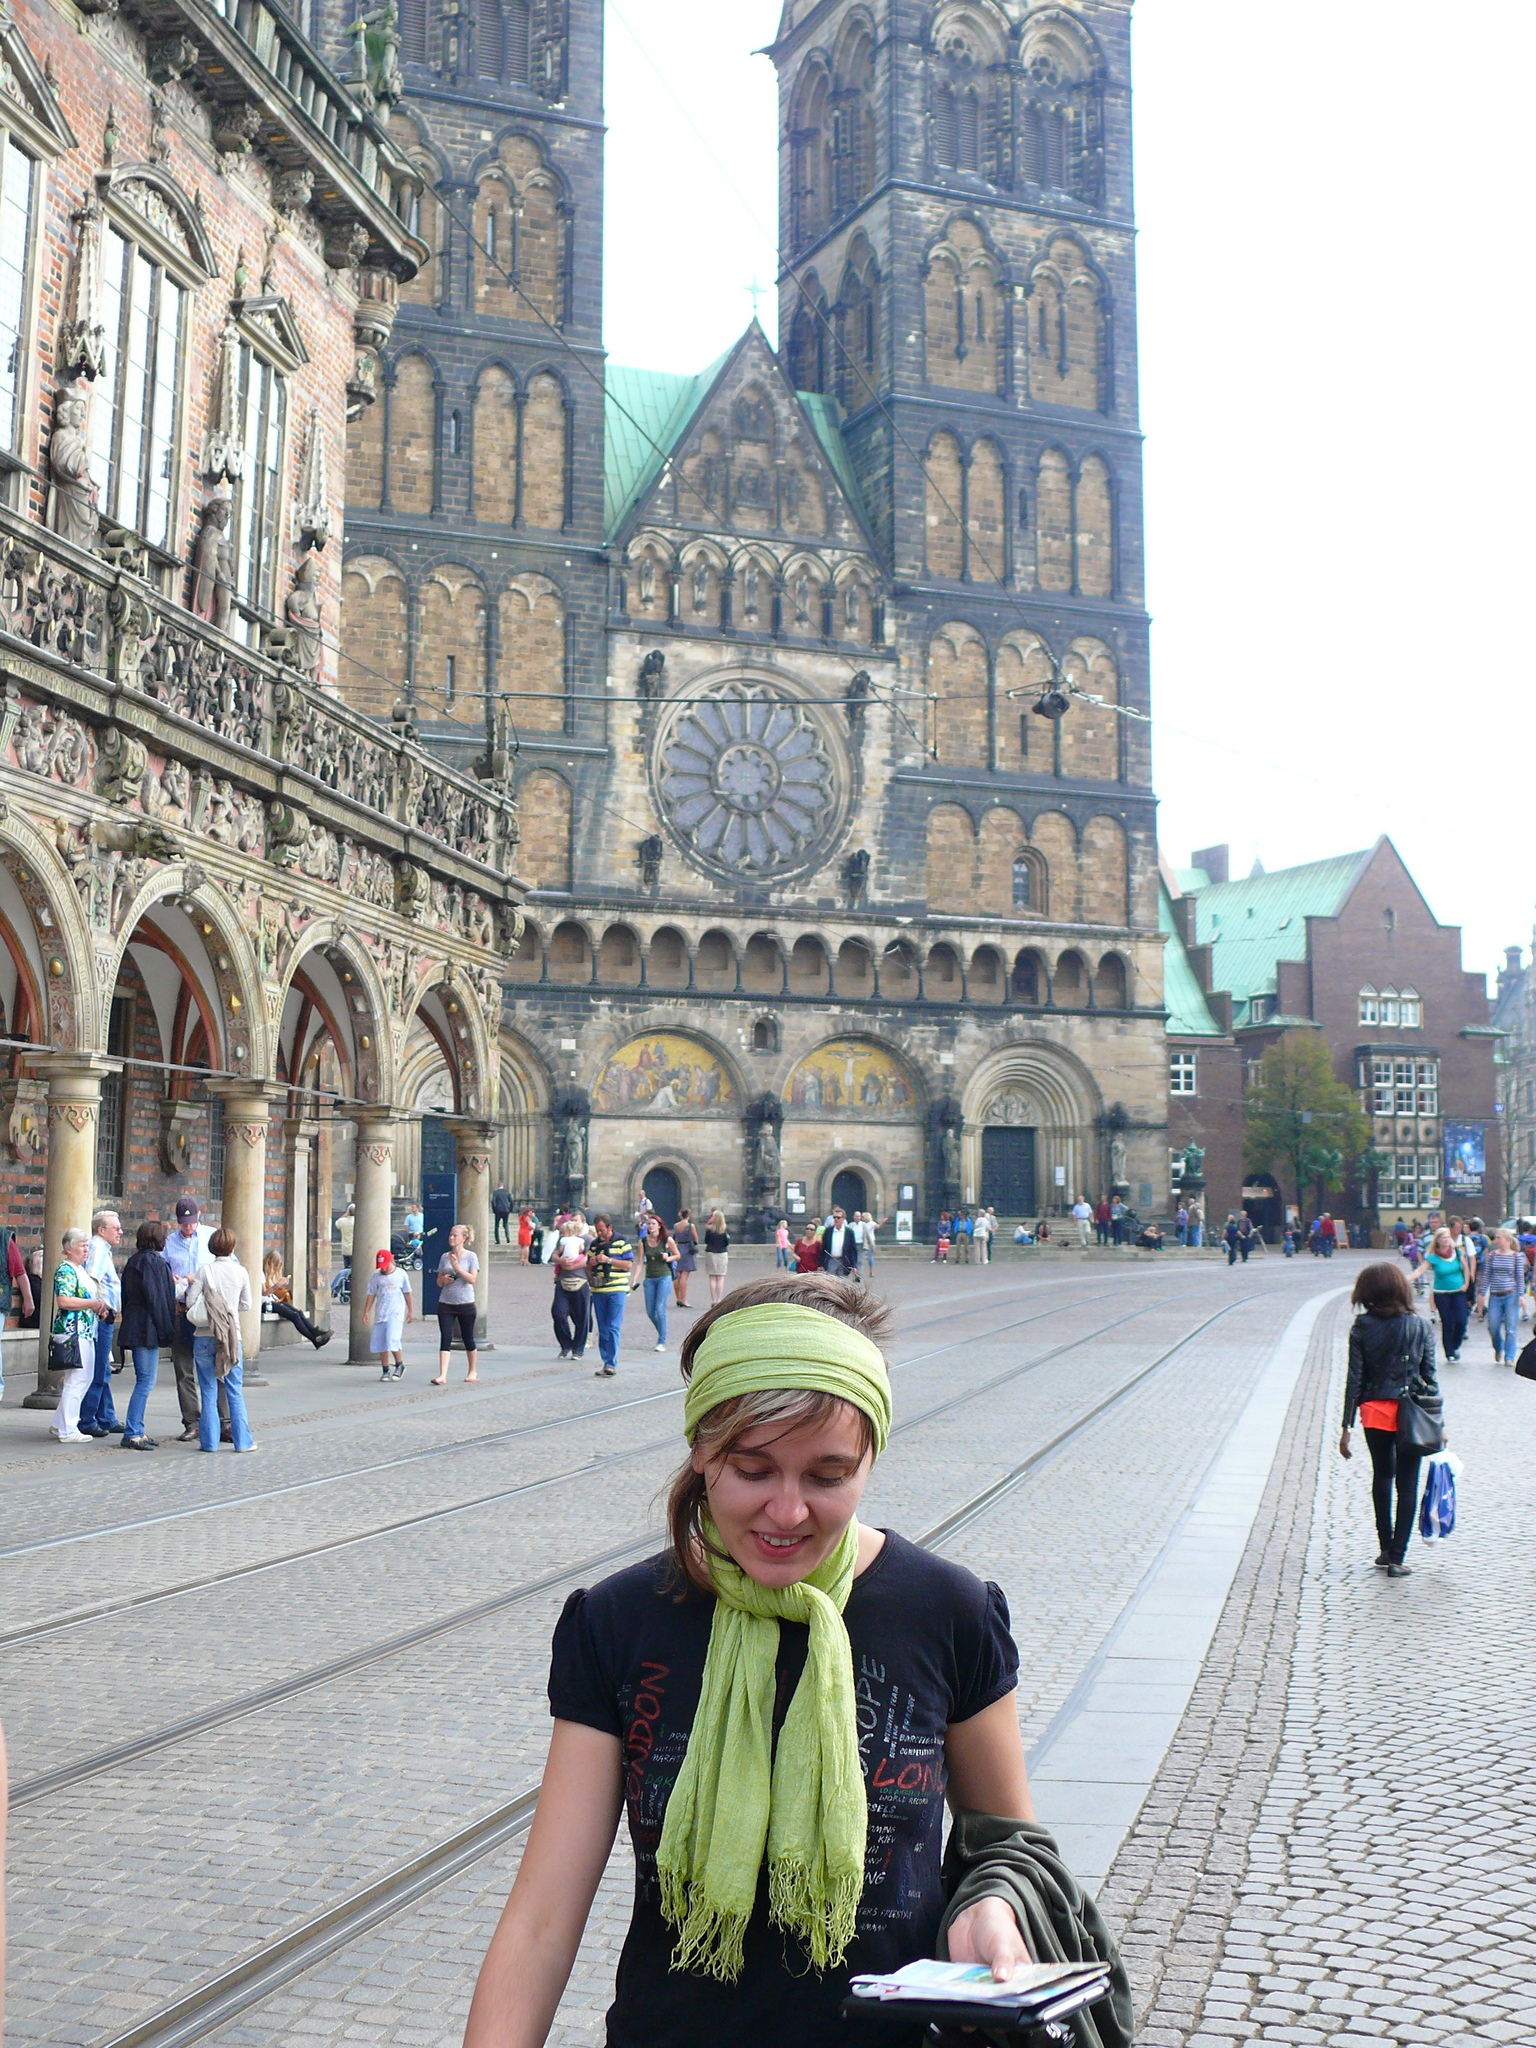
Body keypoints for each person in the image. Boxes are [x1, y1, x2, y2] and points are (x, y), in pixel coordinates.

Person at [464, 1275, 1127, 2048]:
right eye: (752, 1470)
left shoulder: (948, 1612)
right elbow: (542, 1923)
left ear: (871, 1458)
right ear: (701, 1449)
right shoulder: (618, 1622)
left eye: (828, 1476)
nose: (787, 1511)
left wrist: (994, 1904)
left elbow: (1008, 1840)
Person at [1340, 1261, 1441, 1577]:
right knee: (1408, 1483)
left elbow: (1355, 1379)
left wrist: (1346, 1426)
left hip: (1375, 1410)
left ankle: (1384, 1548)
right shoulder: (1419, 1325)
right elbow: (1430, 1378)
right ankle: (1398, 1557)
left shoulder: (1362, 1326)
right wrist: (1439, 1422)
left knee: (1382, 1476)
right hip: (1411, 1412)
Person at [184, 1227, 256, 1453]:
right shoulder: (241, 1272)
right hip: (231, 1337)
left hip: (204, 1336)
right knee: (234, 1389)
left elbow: (190, 1302)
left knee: (208, 1389)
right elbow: (247, 1304)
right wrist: (229, 1309)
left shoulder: (204, 1271)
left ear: (212, 1247)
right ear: (232, 1247)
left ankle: (209, 1443)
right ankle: (243, 1442)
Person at [164, 1198, 221, 1443]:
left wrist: (195, 1278)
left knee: (216, 1368)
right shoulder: (169, 1242)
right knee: (184, 1369)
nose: (188, 1227)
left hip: (207, 1312)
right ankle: (192, 1422)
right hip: (182, 1310)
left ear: (198, 1215)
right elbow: (162, 1270)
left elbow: (226, 1267)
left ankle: (222, 1421)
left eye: (191, 1222)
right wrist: (172, 1277)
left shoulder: (210, 1237)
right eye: (183, 1223)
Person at [119, 1221, 177, 1449]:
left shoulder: (134, 1261)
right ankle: (133, 1431)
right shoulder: (155, 1263)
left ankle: (137, 1429)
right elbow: (159, 1300)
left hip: (134, 1324)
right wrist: (167, 1330)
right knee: (145, 1381)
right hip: (147, 1328)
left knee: (144, 1380)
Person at [48, 1226, 105, 1443]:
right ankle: (68, 1429)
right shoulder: (66, 1270)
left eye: (87, 1246)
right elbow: (64, 1300)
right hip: (73, 1331)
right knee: (77, 1379)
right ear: (69, 1248)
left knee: (83, 1377)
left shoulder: (79, 1269)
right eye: (82, 1246)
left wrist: (97, 1307)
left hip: (85, 1330)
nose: (86, 1250)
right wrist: (91, 1303)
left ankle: (60, 1423)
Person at [77, 1208, 124, 1437]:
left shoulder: (102, 1248)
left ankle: (106, 1417)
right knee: (98, 1369)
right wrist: (99, 1306)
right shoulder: (97, 1248)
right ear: (101, 1229)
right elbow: (92, 1280)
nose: (120, 1232)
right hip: (101, 1316)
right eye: (116, 1228)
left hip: (104, 1315)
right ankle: (87, 1419)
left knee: (103, 1367)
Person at [1412, 1227, 1474, 1364]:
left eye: (1447, 1237)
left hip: (1458, 1291)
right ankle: (1449, 1352)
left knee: (1461, 1321)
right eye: (1443, 1238)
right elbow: (1420, 1271)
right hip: (1441, 1293)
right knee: (1448, 1322)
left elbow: (1466, 1268)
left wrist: (1466, 1283)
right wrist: (1405, 1279)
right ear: (1437, 1240)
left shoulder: (1457, 1252)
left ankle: (1455, 1345)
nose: (1446, 1240)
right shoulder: (1433, 1257)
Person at [432, 1223, 480, 1385]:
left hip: (465, 1303)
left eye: (455, 1235)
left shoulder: (471, 1257)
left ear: (464, 1238)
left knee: (468, 1338)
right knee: (446, 1337)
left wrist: (457, 1267)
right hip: (446, 1303)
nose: (451, 1238)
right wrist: (443, 1279)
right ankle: (442, 1375)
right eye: (450, 1235)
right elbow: (438, 1281)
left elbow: (472, 1279)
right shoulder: (444, 1257)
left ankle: (472, 1370)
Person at [587, 1215, 634, 1377]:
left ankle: (610, 1363)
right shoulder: (594, 1244)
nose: (599, 1233)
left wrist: (608, 1260)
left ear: (610, 1227)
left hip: (617, 1288)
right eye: (597, 1230)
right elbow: (587, 1268)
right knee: (603, 1327)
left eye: (602, 1230)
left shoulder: (622, 1242)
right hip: (598, 1290)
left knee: (613, 1325)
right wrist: (591, 1263)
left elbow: (628, 1264)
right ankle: (606, 1360)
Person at [260, 1250, 330, 1349]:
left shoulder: (271, 1275)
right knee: (294, 1315)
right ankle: (314, 1339)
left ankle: (316, 1332)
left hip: (272, 1301)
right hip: (264, 1303)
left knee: (298, 1312)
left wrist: (281, 1285)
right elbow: (264, 1292)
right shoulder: (261, 1274)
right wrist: (277, 1285)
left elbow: (274, 1292)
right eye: (275, 1265)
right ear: (269, 1263)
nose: (276, 1268)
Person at [1477, 1227, 1524, 1366]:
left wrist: (1521, 1295)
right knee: (1493, 1326)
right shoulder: (1492, 1255)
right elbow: (1487, 1275)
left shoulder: (1516, 1256)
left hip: (1511, 1295)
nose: (1496, 1240)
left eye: (1498, 1238)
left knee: (1511, 1328)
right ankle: (1498, 1347)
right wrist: (1482, 1292)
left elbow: (1519, 1277)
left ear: (1507, 1239)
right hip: (1495, 1295)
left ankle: (1509, 1357)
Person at [366, 1246, 413, 1379]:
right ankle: (385, 1369)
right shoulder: (376, 1276)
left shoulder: (401, 1274)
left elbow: (407, 1292)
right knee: (381, 1342)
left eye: (385, 1265)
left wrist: (410, 1310)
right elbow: (371, 1293)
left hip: (395, 1312)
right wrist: (366, 1311)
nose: (384, 1269)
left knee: (392, 1339)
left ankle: (399, 1364)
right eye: (381, 1266)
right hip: (381, 1312)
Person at [640, 1212, 681, 1353]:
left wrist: (668, 1258)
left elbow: (677, 1255)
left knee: (660, 1308)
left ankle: (661, 1340)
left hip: (664, 1276)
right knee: (650, 1312)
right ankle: (662, 1332)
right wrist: (634, 1279)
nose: (650, 1226)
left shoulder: (667, 1240)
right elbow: (639, 1262)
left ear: (659, 1226)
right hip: (649, 1278)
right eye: (648, 1224)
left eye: (653, 1224)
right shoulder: (643, 1241)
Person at [552, 1224, 591, 1361]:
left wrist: (571, 1266)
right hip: (563, 1281)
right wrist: (560, 1261)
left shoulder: (587, 1239)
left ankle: (578, 1349)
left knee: (582, 1317)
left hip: (580, 1281)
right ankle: (566, 1344)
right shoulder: (562, 1240)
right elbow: (555, 1255)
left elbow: (587, 1259)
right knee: (558, 1313)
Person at [818, 1206, 858, 1279]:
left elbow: (853, 1249)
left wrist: (854, 1265)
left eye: (838, 1218)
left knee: (843, 1282)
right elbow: (823, 1248)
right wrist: (821, 1264)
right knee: (830, 1282)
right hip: (831, 1260)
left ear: (843, 1218)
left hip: (844, 1261)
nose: (836, 1219)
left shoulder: (849, 1232)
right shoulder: (828, 1231)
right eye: (834, 1217)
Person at [703, 1208, 730, 1306]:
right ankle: (719, 1300)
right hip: (722, 1253)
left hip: (711, 1252)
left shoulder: (709, 1230)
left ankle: (713, 1300)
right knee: (720, 1277)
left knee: (712, 1277)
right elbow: (726, 1243)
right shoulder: (724, 1230)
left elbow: (706, 1241)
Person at [672, 1210, 698, 1308]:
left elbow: (674, 1237)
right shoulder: (690, 1226)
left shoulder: (675, 1226)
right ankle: (683, 1299)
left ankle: (678, 1298)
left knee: (678, 1274)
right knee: (684, 1275)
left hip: (678, 1248)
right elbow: (695, 1239)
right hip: (687, 1249)